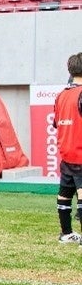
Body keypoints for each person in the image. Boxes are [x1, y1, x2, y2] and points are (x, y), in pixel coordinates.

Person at [53, 52, 82, 244]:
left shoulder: (61, 95)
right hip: (80, 153)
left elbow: (56, 123)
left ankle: (66, 234)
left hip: (67, 154)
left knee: (64, 194)